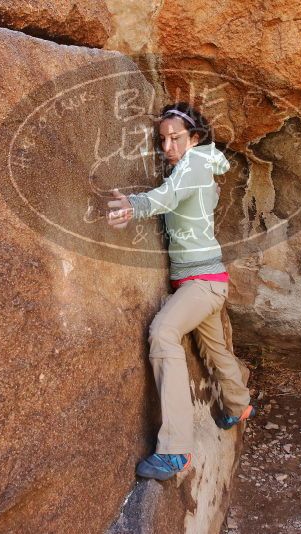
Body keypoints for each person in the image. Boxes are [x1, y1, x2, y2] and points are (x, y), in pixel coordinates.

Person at [106, 102, 255, 481]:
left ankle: (175, 451)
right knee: (215, 349)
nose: (168, 147)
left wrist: (134, 205)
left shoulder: (195, 163)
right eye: (162, 140)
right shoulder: (195, 168)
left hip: (201, 284)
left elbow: (169, 196)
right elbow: (182, 195)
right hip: (206, 281)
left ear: (195, 138)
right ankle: (238, 405)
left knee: (163, 332)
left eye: (175, 138)